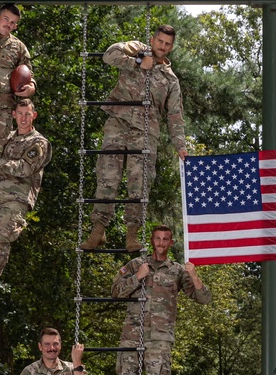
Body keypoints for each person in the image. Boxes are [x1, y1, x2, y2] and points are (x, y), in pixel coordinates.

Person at [80, 25, 187, 252]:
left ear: (172, 47)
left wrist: (180, 145)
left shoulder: (171, 80)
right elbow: (109, 55)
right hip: (118, 121)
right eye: (160, 41)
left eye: (168, 44)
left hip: (146, 130)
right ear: (152, 39)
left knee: (139, 182)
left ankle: (132, 233)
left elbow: (175, 114)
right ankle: (98, 230)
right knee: (107, 175)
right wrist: (137, 62)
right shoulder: (136, 50)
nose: (162, 46)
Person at [112, 224, 212, 375]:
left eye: (165, 239)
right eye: (157, 238)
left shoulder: (177, 270)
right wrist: (137, 277)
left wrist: (194, 276)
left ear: (171, 243)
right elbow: (115, 291)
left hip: (160, 338)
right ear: (152, 241)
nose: (161, 242)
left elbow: (204, 299)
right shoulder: (136, 264)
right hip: (131, 334)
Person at [0, 99, 51, 299]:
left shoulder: (39, 143)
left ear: (34, 116)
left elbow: (25, 168)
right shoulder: (8, 138)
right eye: (20, 113)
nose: (24, 118)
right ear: (14, 115)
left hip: (16, 198)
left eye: (28, 114)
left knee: (0, 238)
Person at [0, 3, 36, 172]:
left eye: (12, 22)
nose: (8, 24)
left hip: (4, 112)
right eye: (5, 19)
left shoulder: (18, 47)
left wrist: (31, 86)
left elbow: (29, 73)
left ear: (16, 26)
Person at [20, 327, 86, 374]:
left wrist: (77, 362)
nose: (52, 348)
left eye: (55, 344)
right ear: (40, 346)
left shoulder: (72, 368)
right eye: (47, 344)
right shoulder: (29, 371)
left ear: (60, 345)